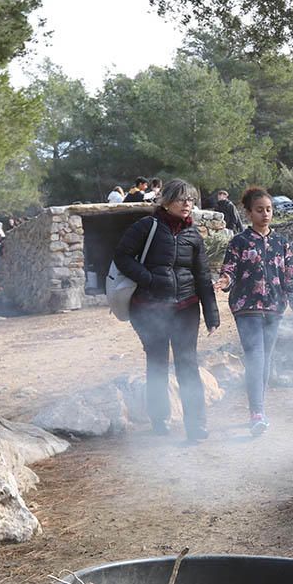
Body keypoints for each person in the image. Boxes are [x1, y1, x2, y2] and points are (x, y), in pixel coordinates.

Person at [112, 179, 220, 441]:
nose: (187, 204)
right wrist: (148, 279)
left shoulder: (193, 235)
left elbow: (202, 275)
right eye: (181, 198)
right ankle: (159, 419)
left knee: (188, 365)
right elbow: (121, 256)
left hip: (186, 307)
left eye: (191, 200)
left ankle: (196, 424)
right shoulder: (146, 227)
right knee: (157, 364)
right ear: (167, 201)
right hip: (149, 308)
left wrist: (211, 313)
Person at [215, 187, 293, 436]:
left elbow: (290, 276)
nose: (265, 214)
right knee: (255, 356)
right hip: (246, 307)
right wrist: (225, 280)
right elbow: (230, 270)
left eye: (268, 209)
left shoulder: (281, 242)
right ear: (248, 213)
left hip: (275, 308)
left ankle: (260, 408)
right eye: (259, 210)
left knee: (265, 359)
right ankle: (256, 412)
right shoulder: (239, 242)